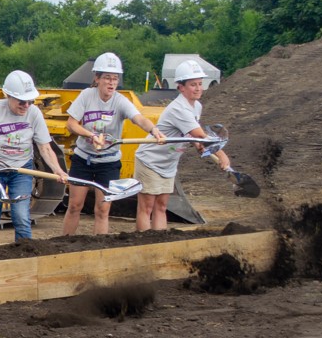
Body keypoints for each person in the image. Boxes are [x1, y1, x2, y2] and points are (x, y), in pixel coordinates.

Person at [62, 52, 165, 235]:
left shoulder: (120, 101)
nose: (111, 83)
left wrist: (154, 130)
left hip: (108, 163)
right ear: (97, 78)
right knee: (75, 206)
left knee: (102, 210)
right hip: (83, 160)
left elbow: (139, 119)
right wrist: (90, 135)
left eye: (115, 79)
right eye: (107, 78)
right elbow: (71, 124)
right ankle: (62, 244)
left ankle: (99, 249)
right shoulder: (87, 96)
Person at [0, 70, 68, 241]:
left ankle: (25, 253)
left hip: (22, 171)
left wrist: (57, 170)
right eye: (21, 102)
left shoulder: (34, 114)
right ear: (8, 96)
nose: (26, 106)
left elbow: (45, 147)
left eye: (30, 101)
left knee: (21, 216)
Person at [134, 59, 231, 231]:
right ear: (181, 87)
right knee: (147, 207)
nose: (198, 88)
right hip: (150, 161)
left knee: (162, 206)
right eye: (193, 84)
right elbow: (199, 134)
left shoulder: (197, 107)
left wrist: (197, 144)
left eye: (200, 84)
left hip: (169, 162)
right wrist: (222, 155)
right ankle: (143, 244)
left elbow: (192, 134)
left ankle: (159, 243)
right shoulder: (178, 108)